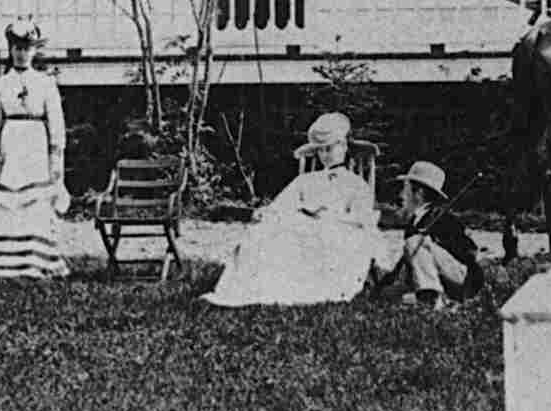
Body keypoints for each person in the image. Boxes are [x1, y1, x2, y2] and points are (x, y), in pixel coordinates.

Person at [206, 110, 387, 307]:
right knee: (263, 233)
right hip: (302, 227)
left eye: (329, 149)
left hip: (337, 230)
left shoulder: (356, 184)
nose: (324, 155)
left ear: (343, 146)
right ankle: (257, 287)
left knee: (320, 238)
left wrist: (329, 217)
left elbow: (362, 219)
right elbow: (282, 205)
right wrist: (267, 213)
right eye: (320, 150)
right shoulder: (305, 181)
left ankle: (304, 288)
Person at [0, 20, 71, 282]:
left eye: (27, 48)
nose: (21, 53)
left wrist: (56, 155)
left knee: (34, 201)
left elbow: (56, 122)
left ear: (34, 51)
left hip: (35, 146)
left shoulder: (45, 83)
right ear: (10, 50)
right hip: (10, 143)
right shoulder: (0, 84)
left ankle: (34, 260)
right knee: (3, 201)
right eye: (17, 48)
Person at [368, 162, 495, 309]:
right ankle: (437, 299)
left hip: (462, 279)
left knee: (415, 241)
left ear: (419, 193)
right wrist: (382, 287)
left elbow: (470, 252)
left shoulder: (444, 219)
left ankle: (431, 296)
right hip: (437, 281)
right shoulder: (414, 222)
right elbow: (404, 261)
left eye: (405, 188)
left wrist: (434, 242)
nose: (401, 195)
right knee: (387, 295)